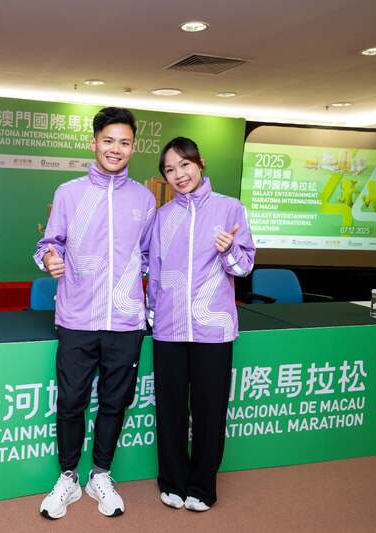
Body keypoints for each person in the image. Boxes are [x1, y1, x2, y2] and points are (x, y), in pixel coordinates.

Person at [34, 107, 155, 519]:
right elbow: (48, 244)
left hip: (125, 321)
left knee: (115, 402)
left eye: (124, 142)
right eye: (108, 141)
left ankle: (100, 474)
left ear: (133, 147)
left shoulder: (144, 198)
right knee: (71, 402)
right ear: (94, 143)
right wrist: (50, 258)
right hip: (77, 318)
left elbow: (147, 256)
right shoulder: (69, 193)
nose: (115, 149)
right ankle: (67, 478)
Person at [146, 137, 255, 512]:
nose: (179, 174)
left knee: (209, 411)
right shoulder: (162, 217)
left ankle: (203, 486)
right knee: (171, 409)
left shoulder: (230, 208)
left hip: (213, 329)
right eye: (170, 169)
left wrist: (228, 251)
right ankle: (172, 481)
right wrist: (153, 315)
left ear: (200, 163)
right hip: (169, 329)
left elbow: (244, 267)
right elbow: (155, 273)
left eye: (184, 164)